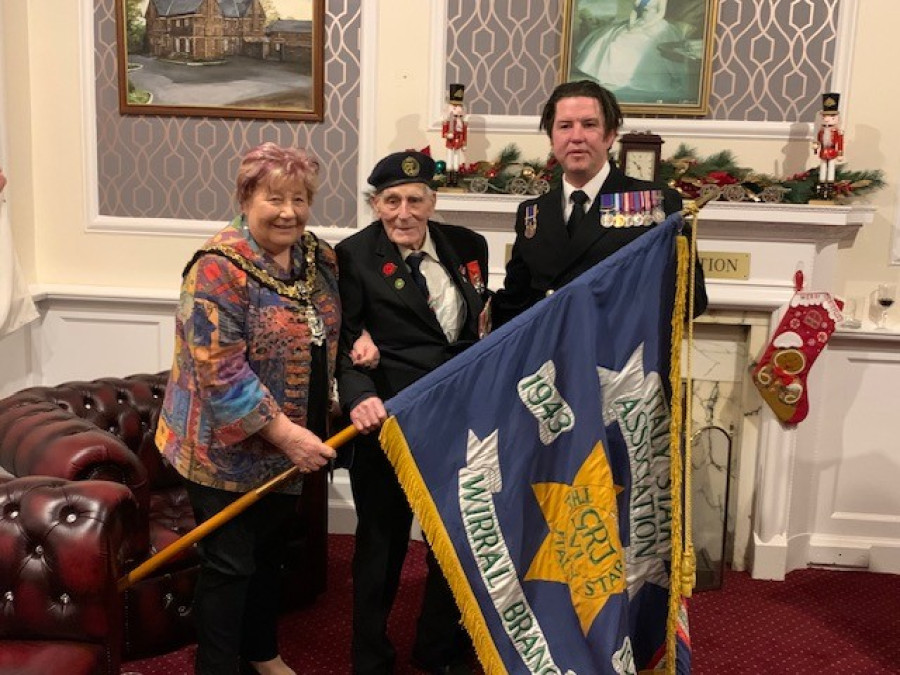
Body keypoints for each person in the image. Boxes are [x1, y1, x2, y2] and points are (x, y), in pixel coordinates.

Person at [155, 142, 341, 675]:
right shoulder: (216, 269)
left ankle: (261, 652)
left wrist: (364, 341)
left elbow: (334, 325)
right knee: (230, 565)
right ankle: (216, 667)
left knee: (267, 558)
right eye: (275, 198)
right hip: (220, 450)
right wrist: (291, 437)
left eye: (300, 198)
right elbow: (222, 373)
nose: (289, 211)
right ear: (246, 198)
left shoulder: (319, 257)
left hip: (286, 452)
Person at [336, 150, 490, 675]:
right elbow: (343, 344)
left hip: (459, 417)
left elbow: (476, 328)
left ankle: (438, 648)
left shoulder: (469, 246)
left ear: (433, 201)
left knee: (453, 536)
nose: (404, 212)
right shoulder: (352, 256)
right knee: (382, 544)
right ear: (376, 204)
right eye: (391, 201)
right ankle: (371, 657)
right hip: (389, 420)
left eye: (415, 199)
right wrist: (359, 396)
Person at [492, 79, 707, 326]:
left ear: (610, 135)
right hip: (550, 359)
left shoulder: (655, 202)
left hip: (620, 357)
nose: (576, 137)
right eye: (564, 126)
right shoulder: (533, 213)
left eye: (589, 125)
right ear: (552, 138)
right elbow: (516, 303)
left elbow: (692, 300)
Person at [572, 0, 689, 104]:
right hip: (639, 22)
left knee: (646, 46)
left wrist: (646, 26)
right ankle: (615, 77)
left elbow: (660, 14)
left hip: (654, 25)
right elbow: (634, 11)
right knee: (617, 41)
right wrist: (631, 24)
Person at [812, 92, 844, 200]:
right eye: (825, 116)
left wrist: (840, 153)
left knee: (831, 168)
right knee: (823, 169)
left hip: (832, 152)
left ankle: (829, 188)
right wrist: (816, 145)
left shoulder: (836, 132)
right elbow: (818, 140)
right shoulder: (821, 131)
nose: (827, 119)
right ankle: (821, 188)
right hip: (823, 152)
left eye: (831, 116)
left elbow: (840, 143)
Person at [441, 83, 468, 187]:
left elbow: (464, 133)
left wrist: (465, 143)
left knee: (457, 159)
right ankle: (448, 179)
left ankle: (455, 179)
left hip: (459, 141)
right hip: (450, 142)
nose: (457, 108)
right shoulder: (448, 121)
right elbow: (444, 132)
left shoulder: (462, 123)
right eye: (455, 106)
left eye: (459, 106)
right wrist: (447, 135)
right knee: (449, 158)